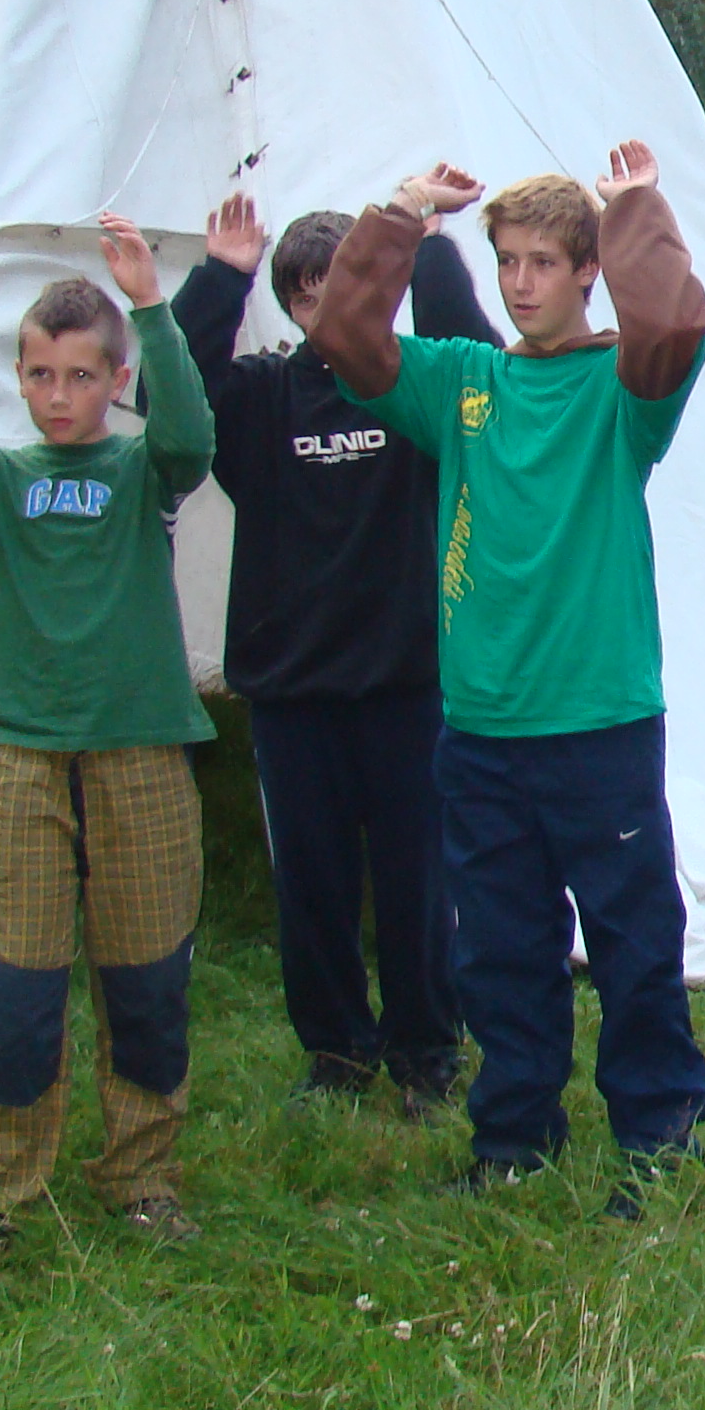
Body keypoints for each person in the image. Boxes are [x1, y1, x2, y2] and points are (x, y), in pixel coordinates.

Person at [311, 150, 705, 1204]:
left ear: (588, 272)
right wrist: (401, 215)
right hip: (482, 728)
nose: (522, 283)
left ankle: (660, 1140)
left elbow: (676, 326)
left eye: (544, 262)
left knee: (634, 944)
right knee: (500, 950)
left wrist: (633, 211)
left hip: (599, 722)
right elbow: (345, 337)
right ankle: (514, 1141)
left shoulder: (625, 389)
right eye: (507, 262)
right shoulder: (464, 380)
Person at [0, 218, 215, 1251]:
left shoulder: (142, 473)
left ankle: (141, 1173)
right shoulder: (0, 476)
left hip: (142, 749)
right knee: (17, 988)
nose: (59, 395)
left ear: (116, 379)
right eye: (39, 376)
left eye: (79, 376)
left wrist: (151, 306)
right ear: (19, 382)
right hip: (22, 757)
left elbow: (191, 440)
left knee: (147, 983)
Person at [176, 167, 500, 1114]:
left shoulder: (416, 394)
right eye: (306, 292)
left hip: (406, 684)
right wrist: (221, 279)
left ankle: (426, 1051)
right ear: (288, 302)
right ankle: (335, 1052)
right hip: (292, 690)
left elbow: (487, 368)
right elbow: (174, 392)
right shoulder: (260, 398)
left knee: (417, 884)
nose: (325, 308)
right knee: (311, 887)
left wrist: (431, 251)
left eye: (346, 288)